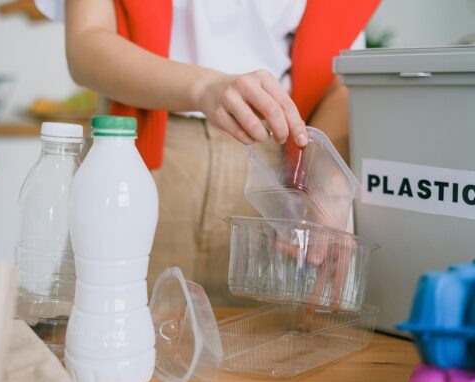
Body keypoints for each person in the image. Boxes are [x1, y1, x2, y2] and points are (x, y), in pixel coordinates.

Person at [35, 0, 380, 304]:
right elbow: (85, 43)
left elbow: (338, 78)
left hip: (276, 176)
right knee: (106, 337)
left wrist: (328, 184)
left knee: (261, 354)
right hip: (144, 159)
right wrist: (205, 87)